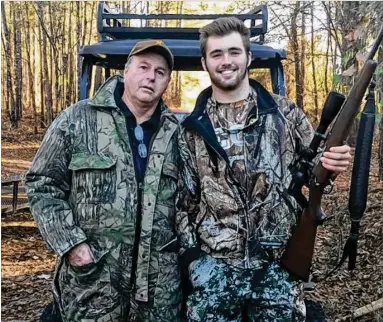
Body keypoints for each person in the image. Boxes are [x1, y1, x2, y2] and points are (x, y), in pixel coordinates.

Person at [176, 17, 352, 322]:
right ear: (205, 62)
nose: (226, 61)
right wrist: (194, 261)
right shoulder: (190, 129)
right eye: (216, 54)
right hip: (215, 273)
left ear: (249, 57)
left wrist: (334, 162)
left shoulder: (286, 114)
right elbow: (181, 202)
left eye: (234, 52)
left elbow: (319, 173)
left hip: (279, 268)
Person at [26, 39, 184, 322]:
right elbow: (42, 183)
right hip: (93, 283)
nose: (151, 76)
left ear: (167, 81)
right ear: (126, 70)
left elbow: (192, 202)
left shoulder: (178, 134)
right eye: (144, 67)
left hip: (159, 291)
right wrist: (71, 245)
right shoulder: (78, 119)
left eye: (160, 72)